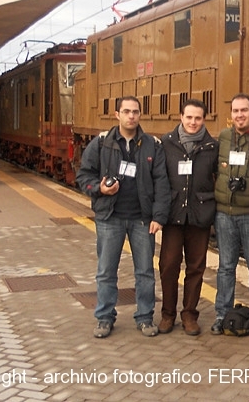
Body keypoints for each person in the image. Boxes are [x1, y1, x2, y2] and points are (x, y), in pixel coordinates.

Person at [77, 96, 169, 338]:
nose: (131, 116)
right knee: (106, 271)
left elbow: (162, 183)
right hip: (110, 217)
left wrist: (158, 216)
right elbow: (83, 176)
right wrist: (99, 188)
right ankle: (105, 318)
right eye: (126, 111)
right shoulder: (101, 144)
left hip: (142, 219)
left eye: (135, 112)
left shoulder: (152, 145)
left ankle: (145, 317)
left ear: (140, 115)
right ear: (117, 114)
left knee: (145, 272)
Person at [211, 93, 249, 336]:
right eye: (235, 111)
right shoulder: (224, 137)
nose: (239, 115)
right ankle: (221, 314)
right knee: (226, 267)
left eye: (244, 110)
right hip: (225, 213)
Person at [158, 99, 218, 336]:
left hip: (199, 215)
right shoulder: (166, 143)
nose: (193, 122)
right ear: (181, 117)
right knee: (169, 266)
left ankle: (190, 315)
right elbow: (159, 179)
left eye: (198, 118)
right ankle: (167, 314)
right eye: (189, 117)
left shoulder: (212, 147)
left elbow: (218, 178)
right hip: (173, 215)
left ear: (204, 119)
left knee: (196, 267)